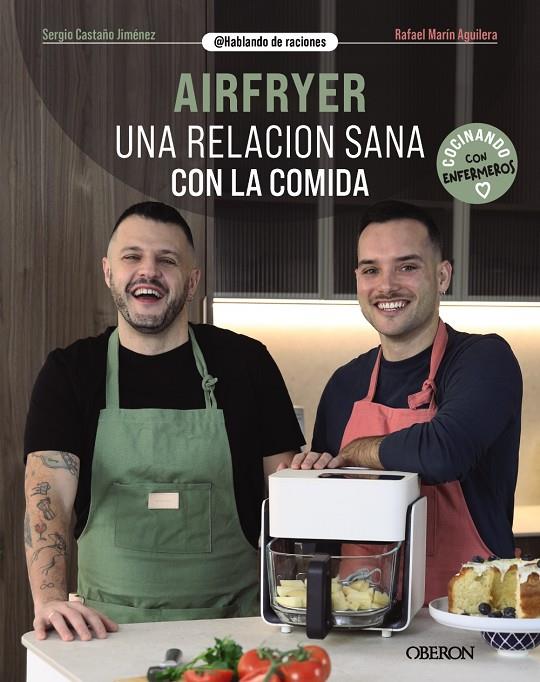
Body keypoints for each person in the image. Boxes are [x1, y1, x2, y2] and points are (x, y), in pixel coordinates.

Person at [24, 201, 304, 640]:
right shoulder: (71, 371)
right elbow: (49, 496)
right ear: (108, 272)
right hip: (106, 633)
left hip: (237, 630)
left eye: (167, 260)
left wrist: (298, 606)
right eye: (132, 256)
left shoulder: (247, 364)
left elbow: (284, 501)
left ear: (192, 282)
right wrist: (49, 599)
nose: (148, 271)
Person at [291, 200, 522, 603]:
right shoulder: (344, 384)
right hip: (363, 613)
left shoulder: (483, 360)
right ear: (358, 280)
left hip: (468, 617)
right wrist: (305, 480)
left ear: (442, 275)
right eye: (371, 270)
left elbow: (442, 452)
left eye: (407, 267)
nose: (386, 286)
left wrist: (355, 452)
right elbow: (328, 523)